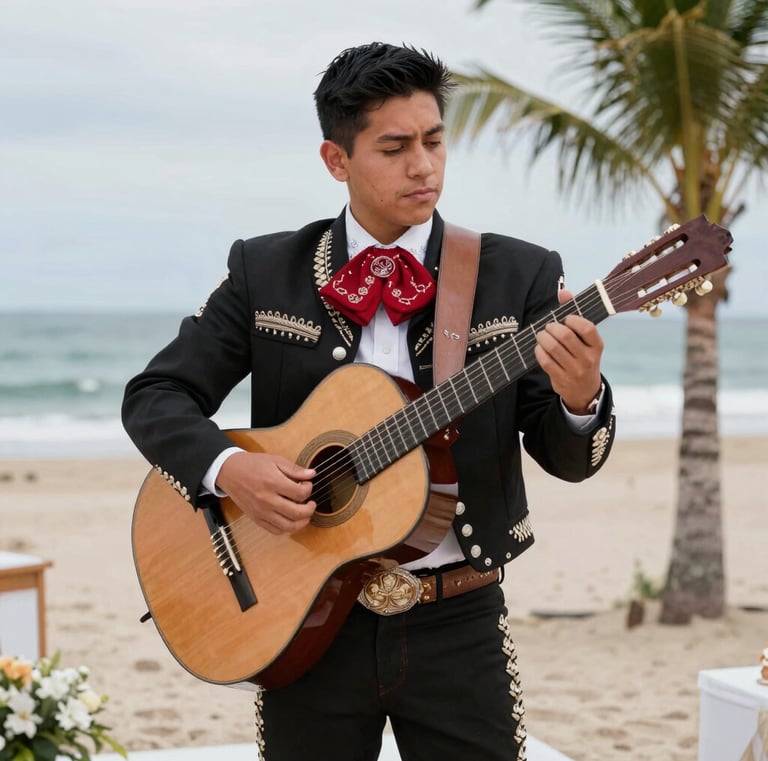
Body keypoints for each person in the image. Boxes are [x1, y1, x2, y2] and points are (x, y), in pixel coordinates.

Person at [122, 42, 615, 761]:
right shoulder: (266, 271)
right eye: (395, 146)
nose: (424, 164)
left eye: (435, 139)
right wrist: (232, 470)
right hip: (306, 615)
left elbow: (567, 458)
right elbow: (156, 395)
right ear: (336, 160)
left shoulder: (520, 273)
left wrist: (580, 399)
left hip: (456, 614)